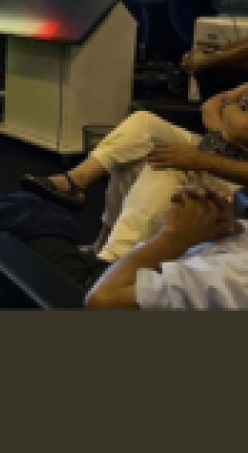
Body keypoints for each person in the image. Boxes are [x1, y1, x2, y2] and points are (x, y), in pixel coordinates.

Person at [22, 84, 248, 265]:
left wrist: (228, 111)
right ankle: (76, 182)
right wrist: (225, 133)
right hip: (216, 147)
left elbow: (240, 127)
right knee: (143, 125)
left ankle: (111, 261)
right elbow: (211, 105)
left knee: (165, 161)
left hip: (234, 177)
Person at [84, 184, 248, 310]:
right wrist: (226, 228)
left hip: (110, 287)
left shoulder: (236, 275)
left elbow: (102, 300)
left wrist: (172, 236)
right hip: (125, 276)